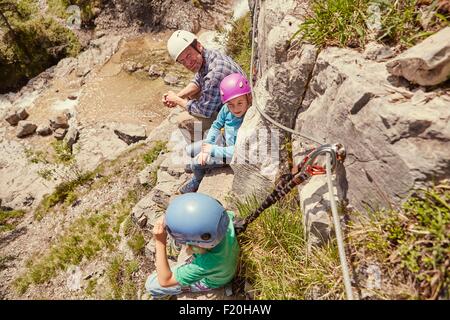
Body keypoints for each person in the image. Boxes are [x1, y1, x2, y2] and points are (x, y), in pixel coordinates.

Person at [145, 193, 240, 299]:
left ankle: (177, 291)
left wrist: (160, 242)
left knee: (151, 284)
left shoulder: (205, 263)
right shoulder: (225, 219)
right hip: (223, 266)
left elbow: (165, 281)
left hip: (213, 280)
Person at [162, 30, 244, 142]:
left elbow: (204, 111)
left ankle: (208, 148)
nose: (188, 63)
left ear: (198, 46)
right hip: (235, 103)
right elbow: (198, 81)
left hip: (238, 116)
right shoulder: (209, 55)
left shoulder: (215, 73)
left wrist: (176, 100)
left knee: (183, 122)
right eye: (183, 61)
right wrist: (179, 95)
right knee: (193, 94)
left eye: (189, 55)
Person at [179, 73, 252, 194]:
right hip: (222, 141)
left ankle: (196, 180)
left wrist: (211, 150)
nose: (235, 109)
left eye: (240, 103)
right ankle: (196, 165)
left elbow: (239, 150)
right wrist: (207, 144)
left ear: (248, 98)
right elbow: (216, 125)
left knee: (196, 163)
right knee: (189, 150)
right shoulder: (226, 109)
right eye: (231, 105)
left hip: (230, 155)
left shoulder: (249, 118)